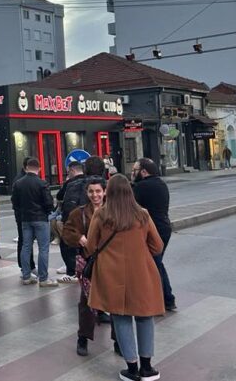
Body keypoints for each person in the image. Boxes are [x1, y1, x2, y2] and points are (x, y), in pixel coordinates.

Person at [86, 174, 164, 381]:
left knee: (120, 317)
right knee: (145, 316)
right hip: (141, 273)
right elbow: (157, 246)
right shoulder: (143, 215)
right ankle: (147, 368)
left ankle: (131, 368)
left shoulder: (101, 215)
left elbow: (92, 246)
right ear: (130, 192)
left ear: (108, 193)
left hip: (110, 275)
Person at [61, 177, 111, 357]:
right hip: (89, 264)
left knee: (115, 303)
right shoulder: (79, 213)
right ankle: (83, 338)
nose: (95, 195)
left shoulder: (113, 211)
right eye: (91, 191)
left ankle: (119, 341)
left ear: (104, 191)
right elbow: (66, 231)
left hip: (111, 264)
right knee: (86, 303)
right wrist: (79, 238)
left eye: (98, 191)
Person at [131, 158, 175, 312]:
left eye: (134, 170)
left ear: (143, 172)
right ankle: (167, 299)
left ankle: (164, 300)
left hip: (153, 231)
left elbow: (130, 203)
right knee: (156, 263)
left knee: (153, 266)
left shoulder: (142, 187)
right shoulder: (160, 183)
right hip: (164, 228)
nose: (132, 173)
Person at [11, 158, 58, 288]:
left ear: (27, 168)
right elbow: (48, 203)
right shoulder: (42, 183)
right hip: (40, 218)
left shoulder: (18, 183)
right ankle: (43, 278)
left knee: (26, 246)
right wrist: (47, 211)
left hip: (25, 219)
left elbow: (14, 202)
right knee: (43, 248)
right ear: (39, 168)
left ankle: (26, 276)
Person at [55, 161, 87, 283]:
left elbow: (59, 196)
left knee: (67, 244)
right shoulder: (88, 180)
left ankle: (72, 272)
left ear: (72, 171)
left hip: (72, 218)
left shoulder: (70, 183)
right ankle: (82, 269)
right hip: (86, 218)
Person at [11, 158, 35, 273]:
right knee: (25, 241)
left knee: (25, 240)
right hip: (25, 216)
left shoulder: (19, 178)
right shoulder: (21, 180)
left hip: (22, 214)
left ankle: (27, 266)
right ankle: (27, 267)